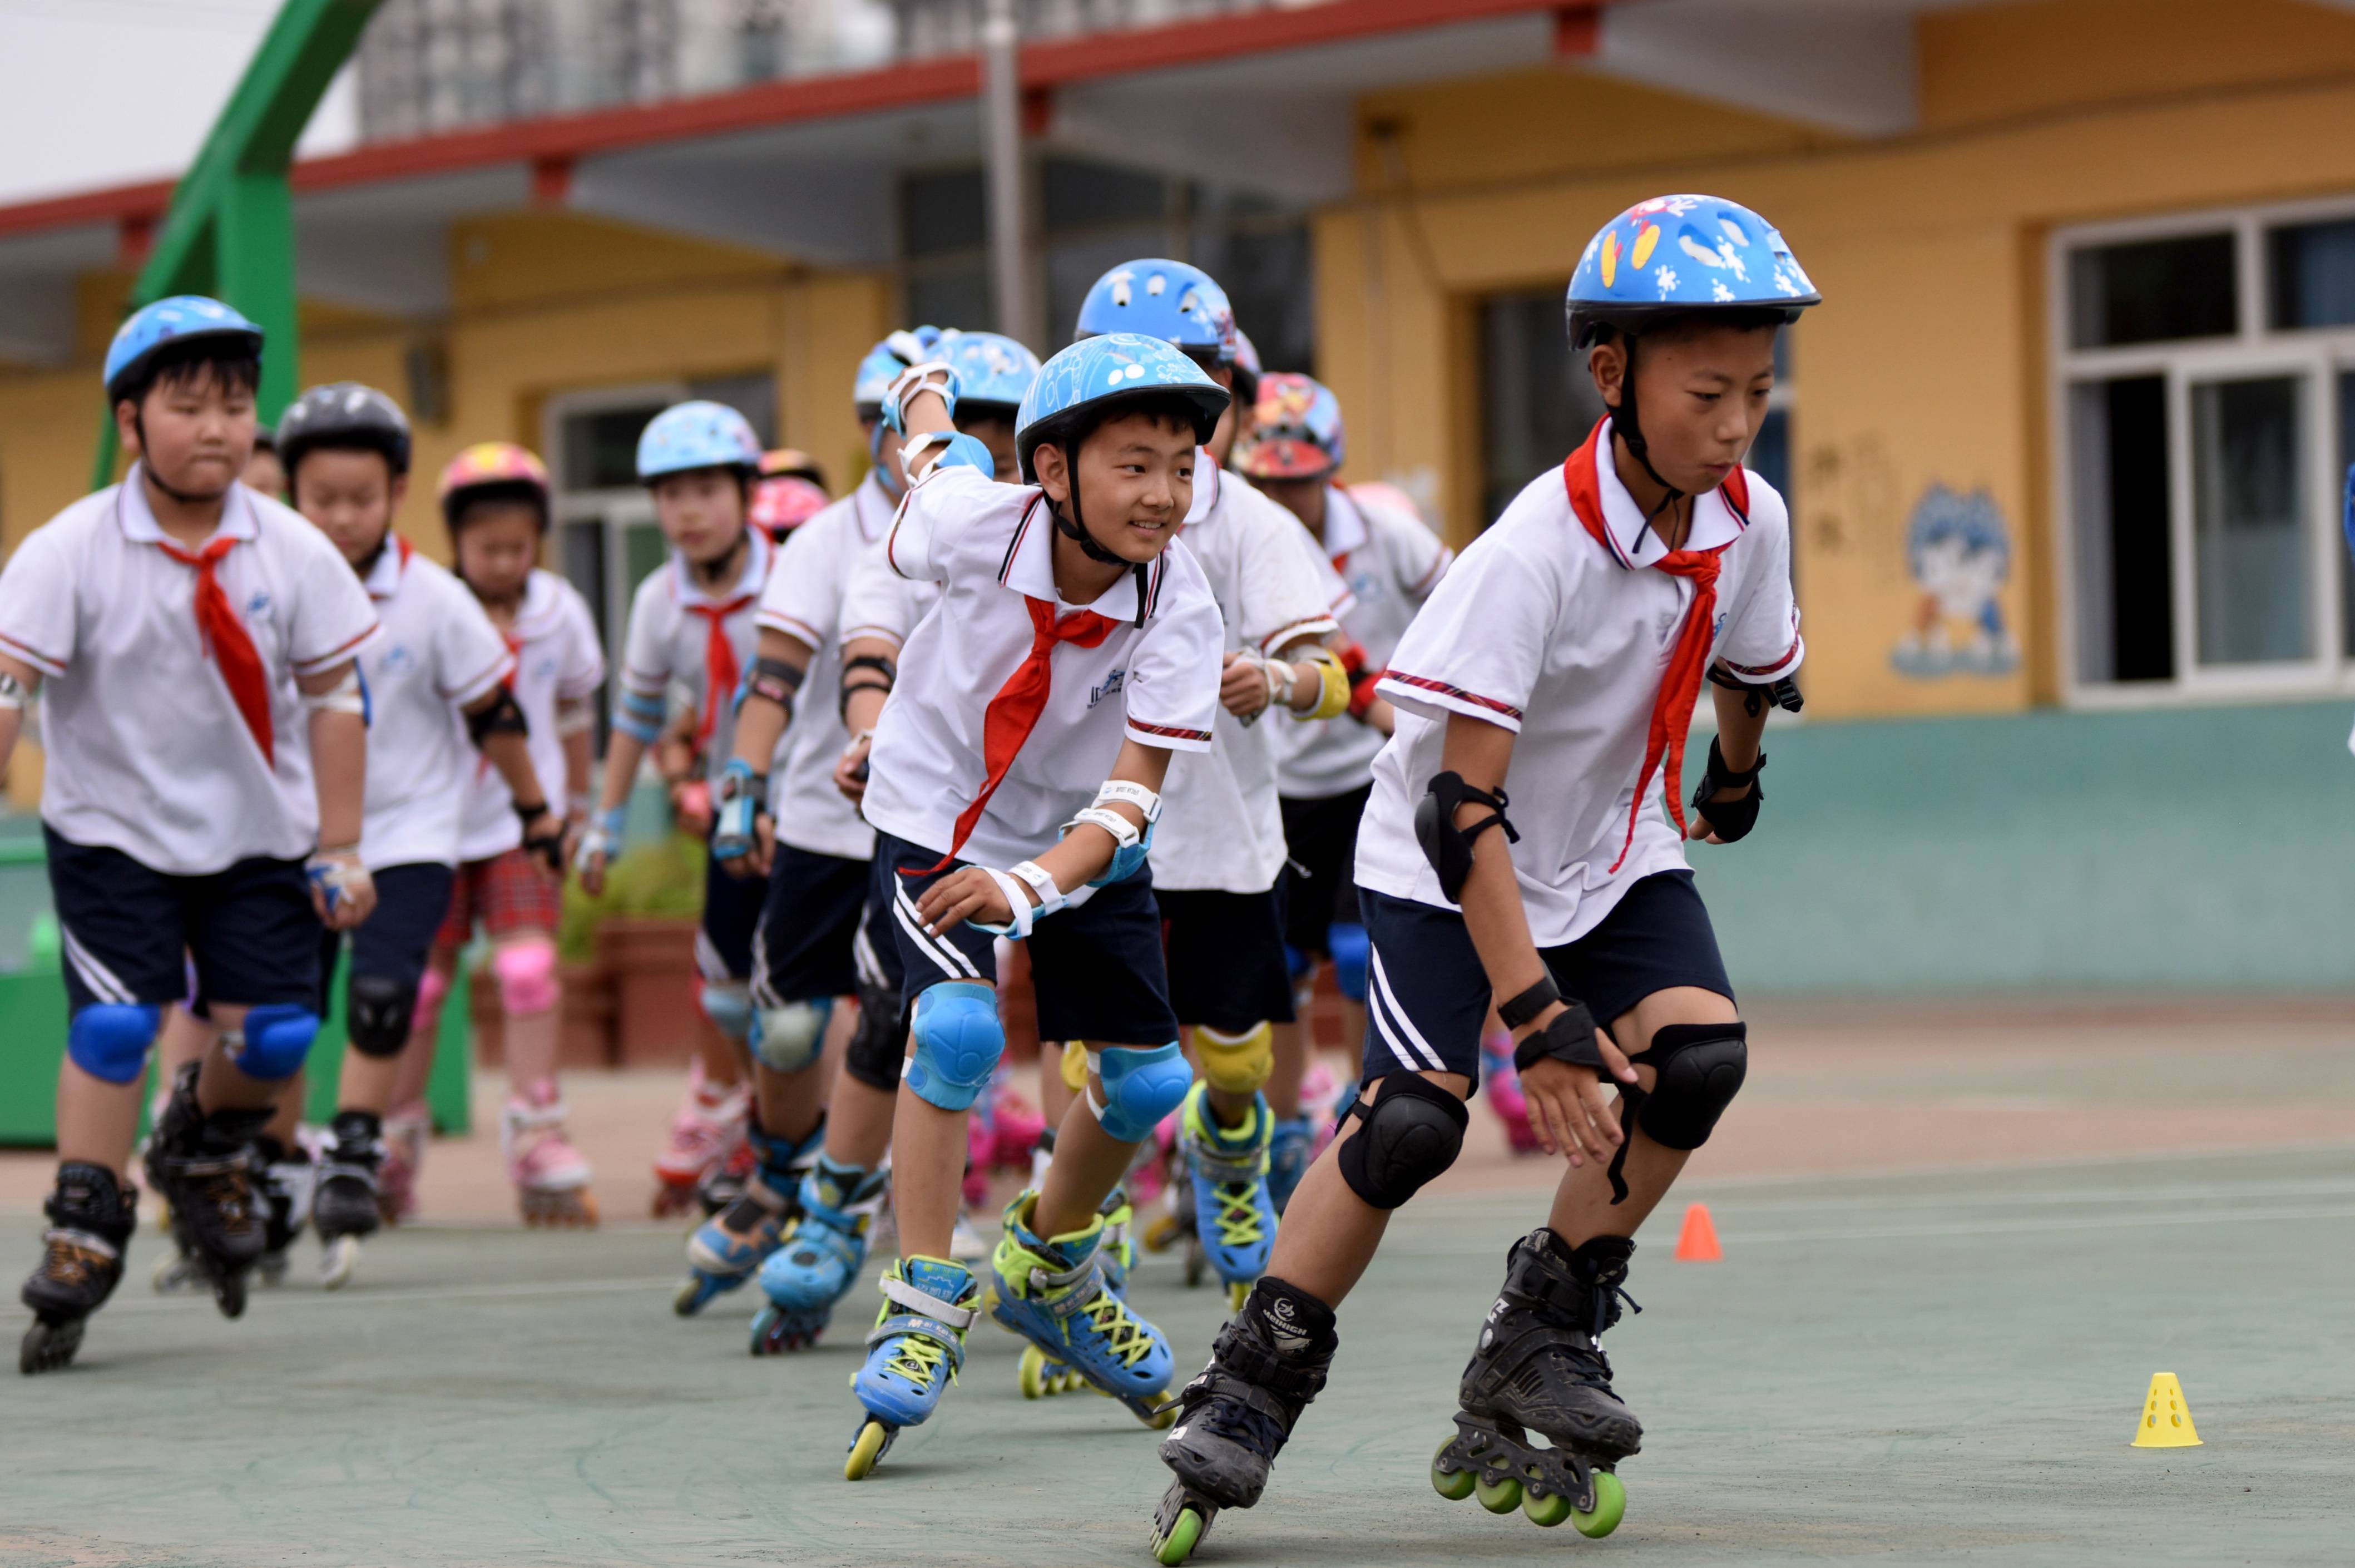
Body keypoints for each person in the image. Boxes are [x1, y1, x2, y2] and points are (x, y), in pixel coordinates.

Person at [1146, 195, 1818, 1563]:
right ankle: (1251, 1381)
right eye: (1707, 392)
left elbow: (1758, 666)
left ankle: (1542, 1330)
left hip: (1615, 852)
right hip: (1441, 860)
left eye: (1757, 389)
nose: (1737, 422)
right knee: (1409, 1125)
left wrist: (1733, 776)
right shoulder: (1529, 555)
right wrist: (1539, 1022)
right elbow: (1460, 808)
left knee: (1695, 1065)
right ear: (1611, 373)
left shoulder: (1747, 519)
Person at [835, 332, 1227, 1480]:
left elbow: (1133, 795)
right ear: (1051, 472)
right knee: (953, 1029)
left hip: (1069, 837)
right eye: (1133, 465)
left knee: (1149, 1078)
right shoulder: (976, 521)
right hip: (933, 810)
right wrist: (919, 407)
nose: (1162, 493)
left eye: (1179, 466)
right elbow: (932, 469)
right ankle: (919, 1300)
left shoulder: (1178, 599)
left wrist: (1037, 882)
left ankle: (1049, 1270)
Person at [7, 298, 378, 1372]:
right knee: (118, 1028)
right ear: (130, 421)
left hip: (258, 838)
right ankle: (83, 1224)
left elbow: (336, 697)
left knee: (277, 1038)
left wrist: (342, 845)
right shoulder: (68, 549)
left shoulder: (294, 551)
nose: (217, 428)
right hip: (112, 833)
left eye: (234, 405)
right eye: (187, 406)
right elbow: (8, 686)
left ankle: (200, 1144)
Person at [731, 329, 1040, 1350]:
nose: (980, 445)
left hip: (1049, 825)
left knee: (1120, 1049)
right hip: (886, 813)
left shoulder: (1065, 535)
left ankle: (1075, 1240)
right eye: (968, 424)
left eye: (1003, 428)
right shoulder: (860, 541)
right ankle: (819, 1213)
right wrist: (753, 773)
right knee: (885, 1020)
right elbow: (844, 656)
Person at [1066, 261, 1351, 1328]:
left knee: (1235, 1056)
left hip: (1223, 839)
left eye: (1196, 386)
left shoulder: (1250, 524)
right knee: (1095, 1073)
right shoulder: (1047, 523)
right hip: (1092, 838)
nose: (1172, 412)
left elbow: (1330, 676)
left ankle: (1229, 1163)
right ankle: (1076, 1263)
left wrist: (1271, 678)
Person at [273, 388, 568, 1270]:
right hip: (289, 829)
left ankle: (358, 1149)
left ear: (397, 490)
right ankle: (276, 1161)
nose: (341, 517)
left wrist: (536, 813)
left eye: (360, 498)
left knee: (386, 994)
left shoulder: (436, 599)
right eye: (321, 499)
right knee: (284, 1019)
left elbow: (494, 712)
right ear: (291, 493)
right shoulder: (268, 583)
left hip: (405, 833)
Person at [375, 443, 607, 1227]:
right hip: (431, 825)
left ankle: (538, 1130)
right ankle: (389, 1140)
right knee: (419, 988)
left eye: (518, 546)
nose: (504, 562)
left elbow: (575, 712)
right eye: (487, 548)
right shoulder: (433, 604)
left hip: (521, 823)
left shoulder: (561, 611)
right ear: (456, 543)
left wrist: (578, 806)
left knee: (530, 971)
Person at [1240, 372, 1452, 1210]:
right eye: (1271, 480)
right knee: (1280, 968)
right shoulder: (1247, 539)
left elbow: (1464, 600)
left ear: (1329, 467)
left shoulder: (1385, 535)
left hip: (1371, 774)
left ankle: (1361, 1105)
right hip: (1280, 785)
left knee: (1361, 957)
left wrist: (1429, 703)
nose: (1286, 494)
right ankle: (1285, 1124)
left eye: (1300, 477)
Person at [574, 401, 776, 1221]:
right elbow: (636, 717)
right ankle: (767, 1128)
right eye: (668, 494)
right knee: (729, 993)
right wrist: (607, 821)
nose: (686, 511)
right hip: (732, 809)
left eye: (704, 489)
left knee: (809, 996)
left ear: (744, 493)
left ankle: (833, 1148)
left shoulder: (792, 576)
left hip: (806, 804)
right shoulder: (660, 600)